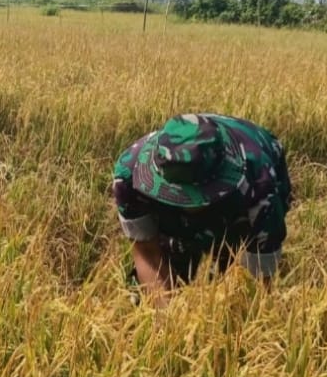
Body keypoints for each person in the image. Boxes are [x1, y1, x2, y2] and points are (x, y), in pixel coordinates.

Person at [112, 113, 292, 302]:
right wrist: (168, 321)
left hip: (247, 183)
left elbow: (259, 281)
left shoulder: (260, 183)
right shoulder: (129, 176)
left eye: (203, 196)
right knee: (153, 285)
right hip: (171, 210)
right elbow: (147, 252)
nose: (191, 208)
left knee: (235, 266)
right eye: (179, 198)